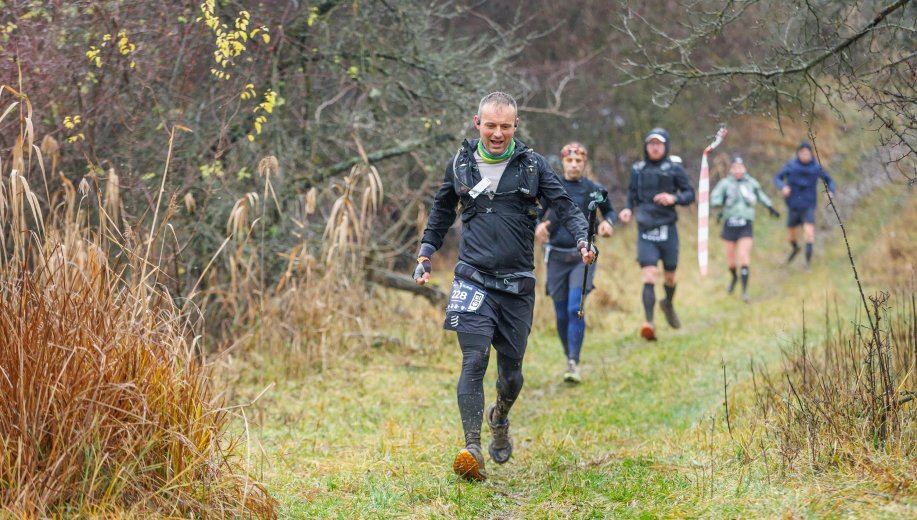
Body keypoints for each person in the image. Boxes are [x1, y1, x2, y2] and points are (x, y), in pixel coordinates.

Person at [413, 92, 594, 481]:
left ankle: (500, 416)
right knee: (474, 360)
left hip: (517, 284)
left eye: (505, 126)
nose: (497, 133)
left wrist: (583, 238)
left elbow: (564, 206)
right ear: (477, 123)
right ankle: (471, 449)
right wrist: (426, 251)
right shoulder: (460, 164)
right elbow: (442, 210)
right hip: (472, 277)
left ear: (516, 125)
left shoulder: (533, 166)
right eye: (490, 125)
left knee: (511, 374)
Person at [535, 142, 614, 384]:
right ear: (563, 162)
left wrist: (606, 224)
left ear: (584, 163)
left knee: (574, 309)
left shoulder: (594, 189)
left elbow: (609, 212)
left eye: (578, 161)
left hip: (583, 257)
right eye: (569, 161)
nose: (574, 165)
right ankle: (568, 355)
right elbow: (536, 213)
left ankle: (573, 361)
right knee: (560, 314)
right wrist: (538, 225)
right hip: (556, 256)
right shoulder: (552, 187)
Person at [617, 128, 695, 341]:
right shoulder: (638, 169)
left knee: (669, 276)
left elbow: (690, 194)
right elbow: (631, 196)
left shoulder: (674, 169)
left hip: (668, 229)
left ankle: (668, 304)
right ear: (646, 146)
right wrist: (626, 210)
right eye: (651, 143)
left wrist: (674, 199)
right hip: (646, 229)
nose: (654, 147)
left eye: (659, 143)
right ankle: (649, 323)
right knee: (649, 275)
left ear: (665, 146)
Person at [710, 156, 780, 302]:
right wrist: (720, 202)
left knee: (743, 256)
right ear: (731, 169)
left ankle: (744, 291)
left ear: (744, 168)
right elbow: (714, 198)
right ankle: (734, 277)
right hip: (729, 223)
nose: (738, 170)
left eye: (740, 167)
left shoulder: (751, 183)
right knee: (731, 260)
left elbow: (761, 196)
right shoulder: (725, 184)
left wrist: (770, 207)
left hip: (745, 224)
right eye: (735, 167)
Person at [774, 141, 837, 269]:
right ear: (798, 154)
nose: (805, 156)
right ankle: (795, 248)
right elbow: (778, 178)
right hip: (793, 205)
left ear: (811, 154)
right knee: (791, 235)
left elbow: (829, 180)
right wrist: (783, 187)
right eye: (802, 153)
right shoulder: (791, 166)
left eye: (807, 153)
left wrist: (831, 191)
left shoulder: (815, 167)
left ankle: (807, 264)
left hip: (808, 205)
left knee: (809, 233)